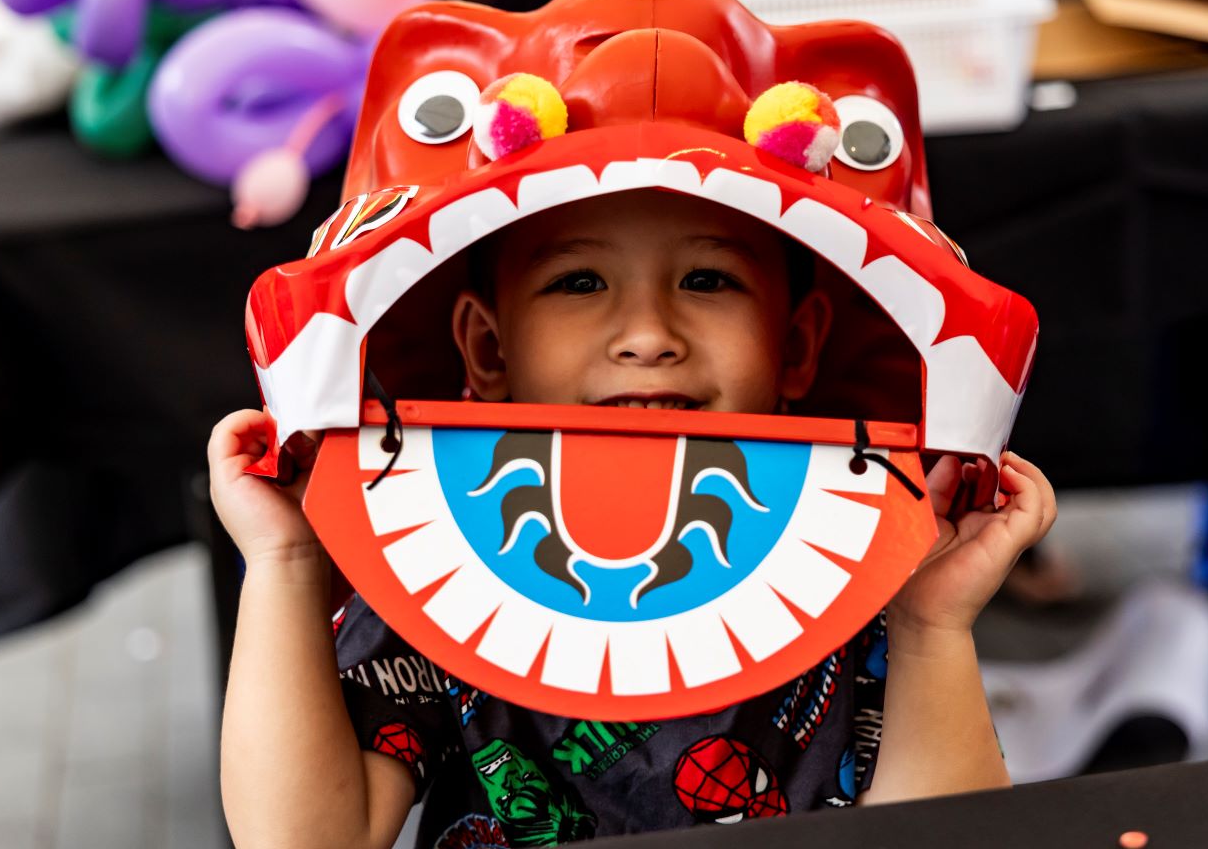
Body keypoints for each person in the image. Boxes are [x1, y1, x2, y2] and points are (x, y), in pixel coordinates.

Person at [208, 186, 1058, 849]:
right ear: (488, 350)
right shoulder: (438, 556)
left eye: (707, 279)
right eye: (579, 281)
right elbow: (302, 837)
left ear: (796, 346)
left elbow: (943, 837)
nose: (648, 334)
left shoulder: (864, 547)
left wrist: (929, 627)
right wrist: (285, 563)